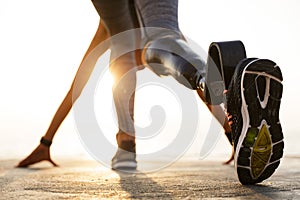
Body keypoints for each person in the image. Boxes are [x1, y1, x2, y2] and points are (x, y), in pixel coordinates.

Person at [18, 0, 283, 185]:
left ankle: (127, 145)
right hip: (166, 40)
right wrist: (230, 131)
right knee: (170, 42)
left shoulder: (111, 27)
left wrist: (47, 141)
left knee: (123, 50)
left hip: (137, 39)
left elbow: (79, 82)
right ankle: (225, 91)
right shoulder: (124, 26)